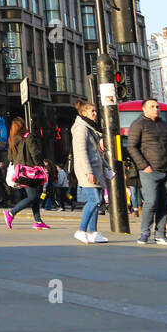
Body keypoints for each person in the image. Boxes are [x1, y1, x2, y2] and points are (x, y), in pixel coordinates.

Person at [126, 99, 167, 246]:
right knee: (151, 202)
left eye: (157, 106)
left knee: (164, 204)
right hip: (150, 170)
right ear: (144, 109)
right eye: (152, 107)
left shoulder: (165, 125)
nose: (156, 109)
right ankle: (145, 233)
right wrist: (144, 166)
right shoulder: (138, 124)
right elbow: (132, 147)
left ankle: (161, 235)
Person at [71, 98, 111, 243]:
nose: (95, 113)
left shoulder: (91, 128)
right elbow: (81, 151)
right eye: (92, 111)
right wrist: (88, 172)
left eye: (95, 111)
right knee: (95, 199)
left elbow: (97, 153)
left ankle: (93, 232)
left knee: (96, 200)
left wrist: (107, 168)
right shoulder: (81, 128)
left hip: (96, 169)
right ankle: (81, 230)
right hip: (87, 170)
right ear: (84, 113)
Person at [4, 118, 49, 230]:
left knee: (34, 196)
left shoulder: (11, 140)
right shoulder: (28, 137)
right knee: (32, 196)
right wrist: (40, 165)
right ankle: (11, 213)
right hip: (30, 171)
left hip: (20, 172)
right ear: (23, 126)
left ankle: (38, 221)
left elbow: (10, 158)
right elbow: (35, 153)